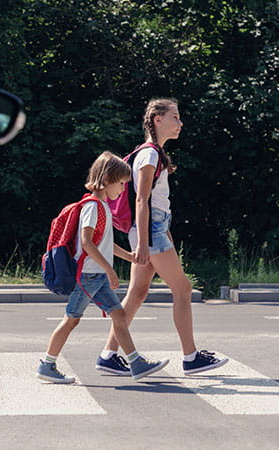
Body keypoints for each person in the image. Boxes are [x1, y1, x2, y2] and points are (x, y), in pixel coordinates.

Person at [95, 98, 228, 376]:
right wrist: (145, 243)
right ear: (158, 119)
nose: (179, 123)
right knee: (183, 290)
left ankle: (108, 355)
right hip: (149, 231)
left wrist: (160, 233)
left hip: (154, 229)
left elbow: (154, 202)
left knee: (138, 292)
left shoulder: (153, 154)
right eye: (175, 117)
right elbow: (142, 200)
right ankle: (191, 357)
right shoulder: (150, 154)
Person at [37, 151, 169, 384]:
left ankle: (136, 363)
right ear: (106, 179)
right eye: (120, 184)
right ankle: (47, 364)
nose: (122, 190)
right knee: (71, 319)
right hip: (88, 275)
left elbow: (104, 243)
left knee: (118, 315)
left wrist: (128, 256)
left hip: (95, 275)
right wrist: (110, 270)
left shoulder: (102, 207)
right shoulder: (93, 206)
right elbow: (87, 243)